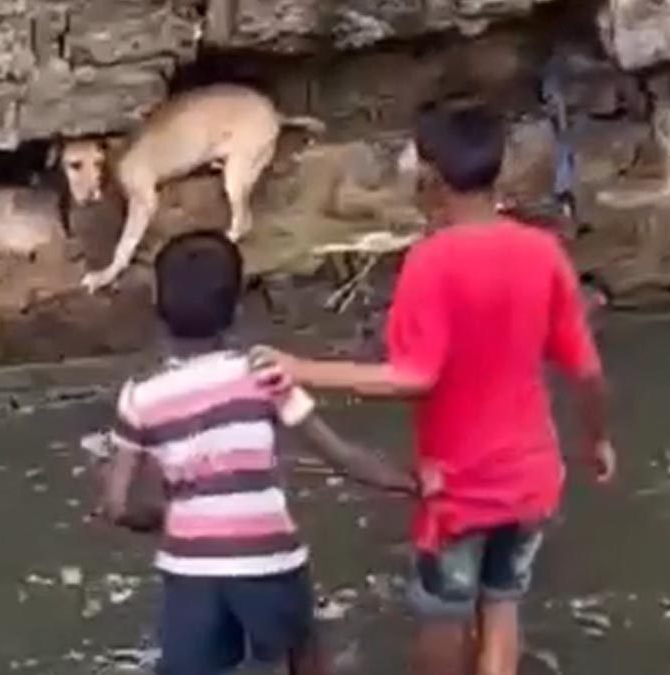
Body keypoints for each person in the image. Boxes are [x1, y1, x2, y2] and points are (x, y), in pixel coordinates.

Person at [251, 102, 616, 675]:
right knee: (501, 605)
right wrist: (597, 442)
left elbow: (413, 375)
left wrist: (301, 368)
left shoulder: (431, 261)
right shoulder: (543, 252)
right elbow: (587, 372)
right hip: (532, 479)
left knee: (444, 614)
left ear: (431, 177)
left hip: (460, 486)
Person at [99, 230, 418, 675]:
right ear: (235, 310)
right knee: (303, 654)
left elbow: (116, 505)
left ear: (157, 308)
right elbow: (341, 456)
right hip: (270, 562)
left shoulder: (140, 398)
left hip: (191, 571)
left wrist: (163, 518)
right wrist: (411, 481)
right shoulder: (262, 376)